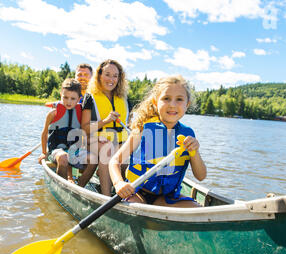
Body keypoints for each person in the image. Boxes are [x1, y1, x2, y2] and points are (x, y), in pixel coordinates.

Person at [109, 75, 207, 208]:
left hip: (166, 197)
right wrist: (118, 183)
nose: (172, 105)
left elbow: (201, 176)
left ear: (187, 104)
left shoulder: (188, 134)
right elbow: (114, 161)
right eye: (166, 99)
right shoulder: (142, 128)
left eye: (179, 99)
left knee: (198, 210)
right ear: (155, 102)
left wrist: (194, 153)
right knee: (137, 208)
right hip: (137, 193)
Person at [81, 59, 130, 196]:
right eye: (107, 74)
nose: (111, 79)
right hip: (94, 142)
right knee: (106, 151)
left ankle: (125, 193)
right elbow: (84, 128)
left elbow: (131, 124)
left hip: (120, 141)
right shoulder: (90, 97)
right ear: (99, 75)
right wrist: (106, 121)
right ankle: (106, 196)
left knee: (129, 160)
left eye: (115, 76)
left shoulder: (124, 98)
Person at [38, 78, 97, 186]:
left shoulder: (81, 113)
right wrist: (43, 152)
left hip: (73, 151)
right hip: (56, 151)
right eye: (65, 97)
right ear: (61, 95)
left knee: (94, 159)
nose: (68, 101)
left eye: (72, 98)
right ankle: (63, 186)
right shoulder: (53, 113)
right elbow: (44, 133)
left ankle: (80, 186)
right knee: (63, 157)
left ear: (79, 99)